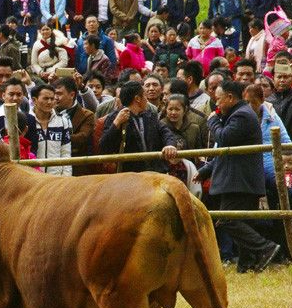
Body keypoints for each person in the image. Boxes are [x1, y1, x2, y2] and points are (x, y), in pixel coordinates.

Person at [194, 81, 281, 272]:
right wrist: (206, 170)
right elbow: (229, 151)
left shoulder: (241, 115)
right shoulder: (239, 114)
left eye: (218, 100)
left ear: (230, 98)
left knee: (228, 220)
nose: (216, 105)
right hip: (240, 179)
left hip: (239, 180)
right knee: (242, 221)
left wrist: (212, 122)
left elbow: (224, 139)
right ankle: (247, 264)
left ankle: (265, 248)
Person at [98, 80, 179, 173]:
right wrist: (116, 123)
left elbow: (166, 132)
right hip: (131, 176)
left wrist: (170, 145)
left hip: (156, 172)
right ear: (137, 98)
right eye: (144, 95)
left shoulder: (150, 115)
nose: (146, 99)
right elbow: (104, 147)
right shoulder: (114, 118)